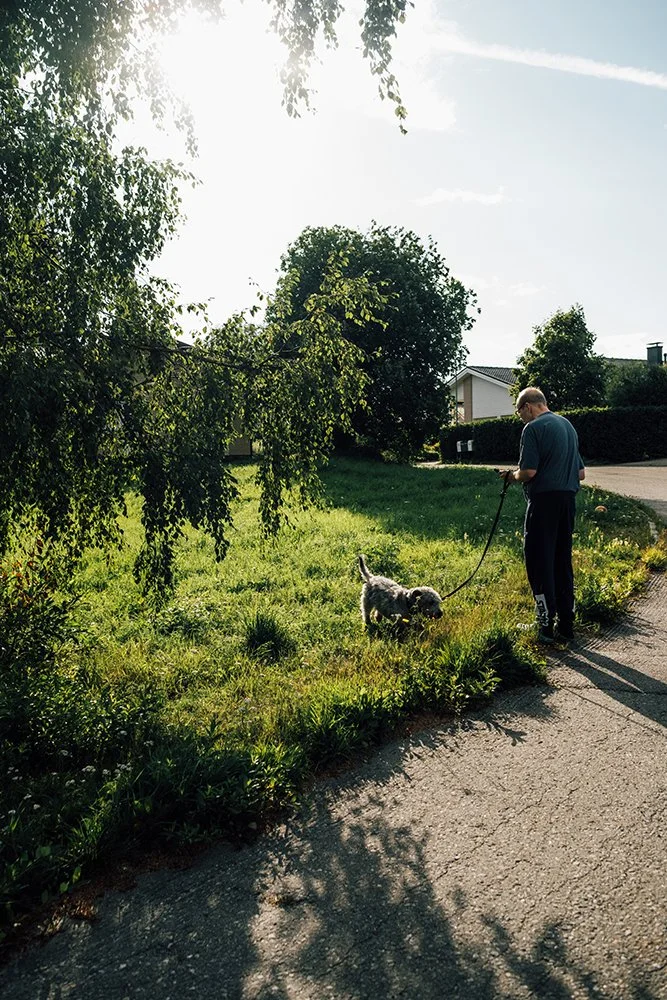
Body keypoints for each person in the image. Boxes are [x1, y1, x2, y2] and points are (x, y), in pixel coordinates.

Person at [498, 387, 585, 643]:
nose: (520, 418)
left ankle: (545, 624)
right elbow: (581, 473)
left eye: (519, 413)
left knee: (539, 561)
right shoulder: (568, 426)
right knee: (561, 560)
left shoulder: (533, 428)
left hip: (544, 502)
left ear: (527, 407)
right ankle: (566, 624)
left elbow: (529, 472)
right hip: (567, 501)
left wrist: (511, 476)